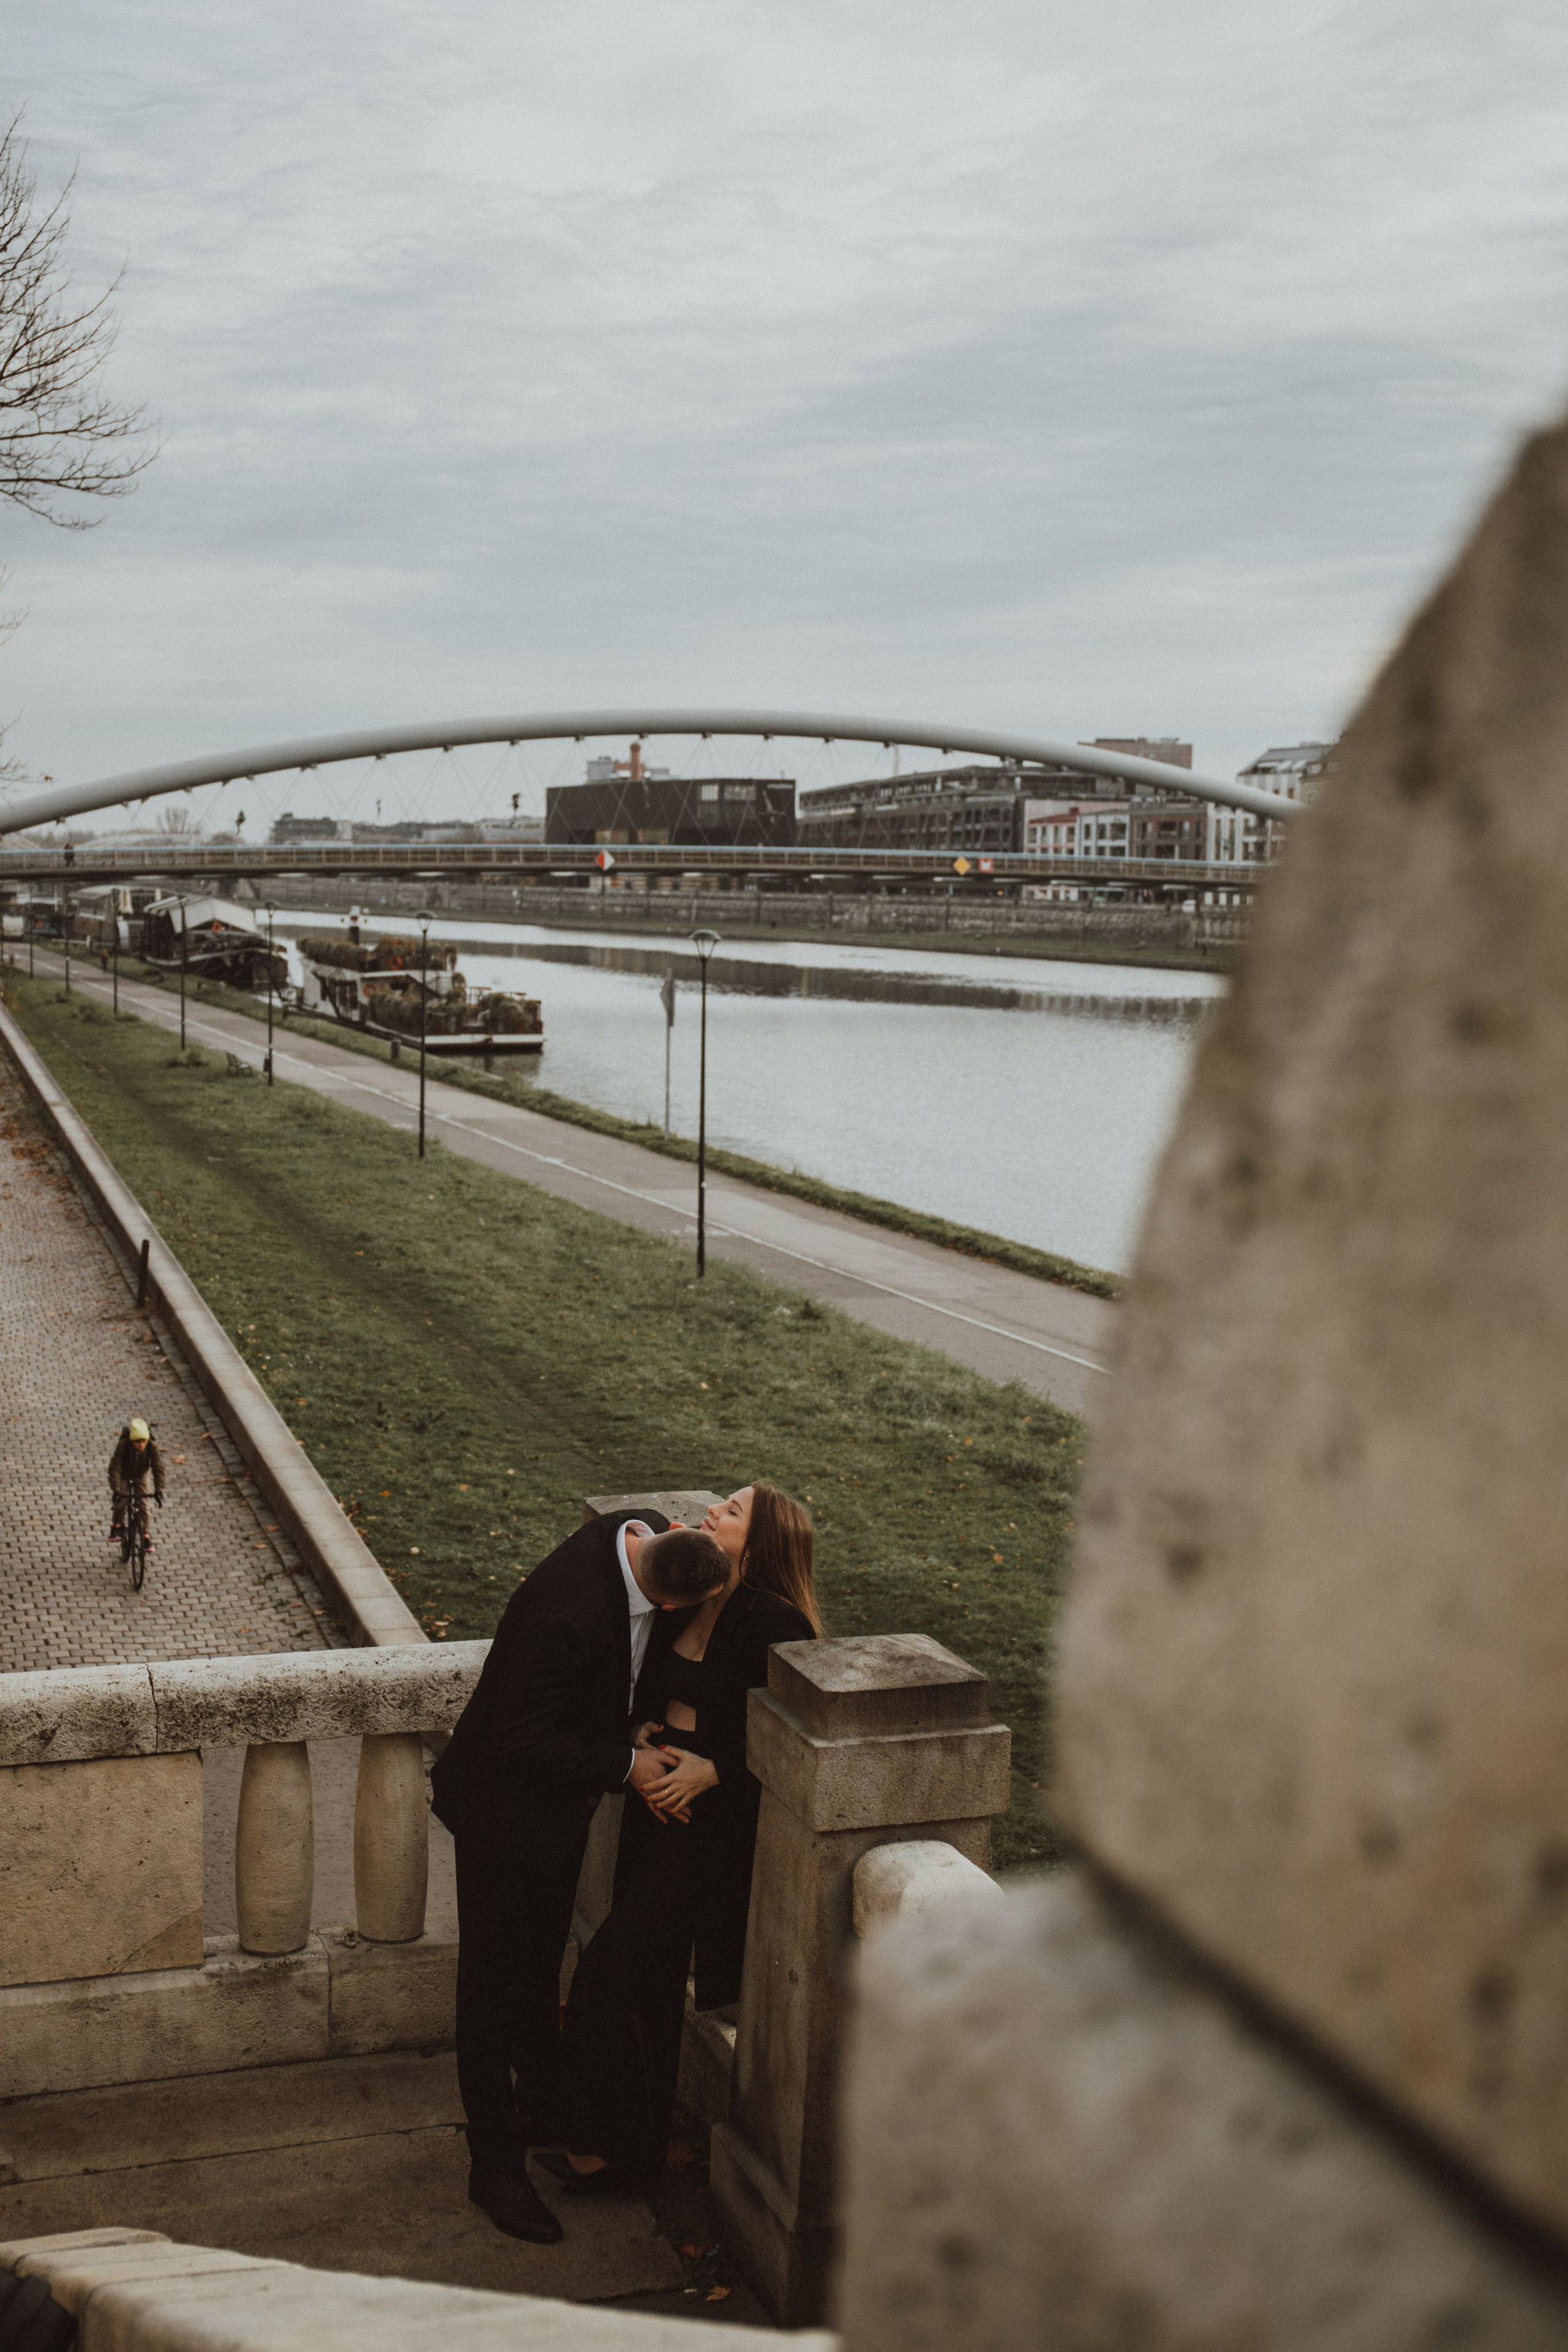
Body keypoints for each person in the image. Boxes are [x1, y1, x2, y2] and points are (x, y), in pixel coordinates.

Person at [431, 1509, 731, 2245]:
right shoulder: (562, 1613)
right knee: (491, 1989)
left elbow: (600, 1687)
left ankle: (541, 2104)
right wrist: (628, 1765)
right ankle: (492, 2165)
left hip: (555, 1816)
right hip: (500, 1814)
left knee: (539, 1967)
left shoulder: (643, 1532)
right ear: (665, 1604)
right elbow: (520, 1735)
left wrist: (628, 1726)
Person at [537, 1483, 818, 2198]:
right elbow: (648, 1689)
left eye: (732, 1510)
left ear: (758, 1545)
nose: (713, 1511)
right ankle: (633, 2153)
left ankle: (595, 2151)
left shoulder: (776, 1622)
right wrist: (638, 1734)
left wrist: (712, 1769)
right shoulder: (689, 1594)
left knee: (607, 1971)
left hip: (706, 1827)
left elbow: (784, 1738)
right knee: (649, 1987)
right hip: (651, 1804)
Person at [107, 1419, 164, 1548]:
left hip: (142, 1473)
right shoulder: (123, 1446)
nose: (141, 1445)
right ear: (132, 1441)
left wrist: (159, 1489)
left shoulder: (152, 1446)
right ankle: (116, 1526)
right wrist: (116, 1489)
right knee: (121, 1502)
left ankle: (146, 1536)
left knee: (144, 1505)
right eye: (138, 1442)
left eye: (144, 1442)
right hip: (124, 1473)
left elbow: (158, 1468)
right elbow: (115, 1468)